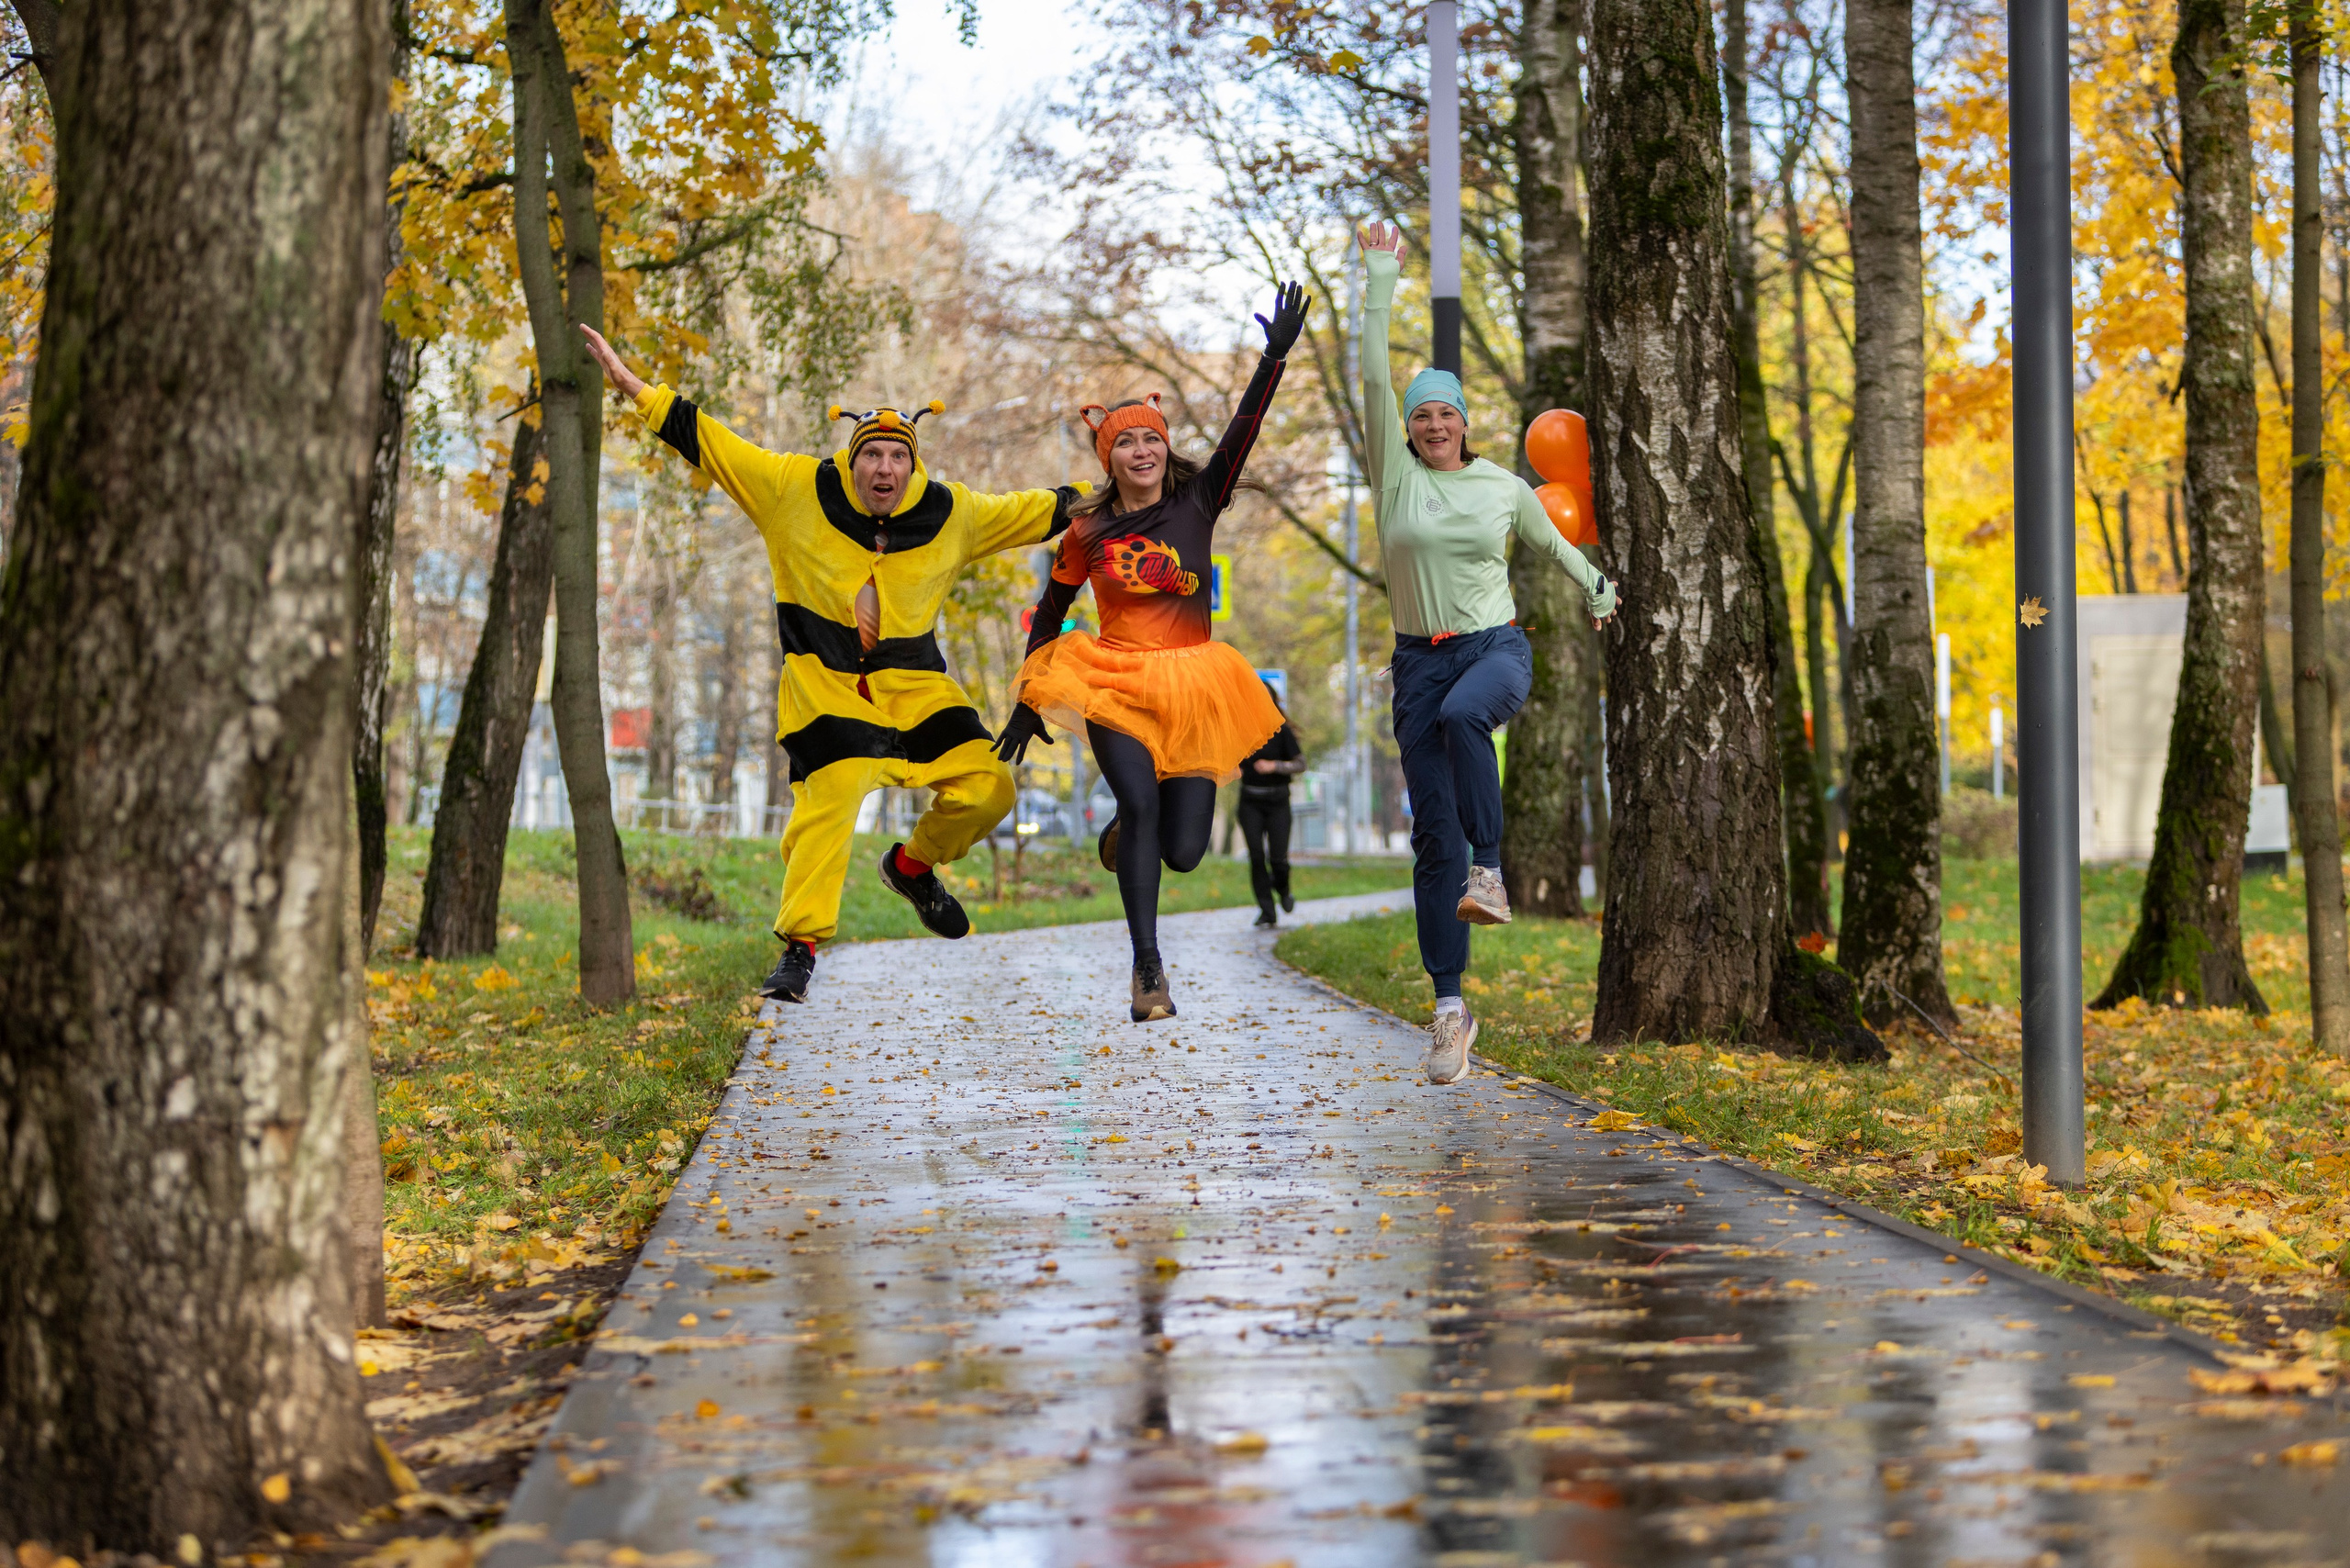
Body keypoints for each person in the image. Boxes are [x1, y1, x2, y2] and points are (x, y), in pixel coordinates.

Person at [578, 325, 1088, 1004]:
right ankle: (801, 946)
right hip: (824, 684)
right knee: (837, 786)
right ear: (852, 461)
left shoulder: (952, 513)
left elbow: (1042, 510)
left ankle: (912, 867)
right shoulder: (793, 490)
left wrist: (1127, 477)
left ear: (912, 465)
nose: (884, 469)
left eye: (895, 458)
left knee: (991, 785)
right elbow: (716, 444)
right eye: (871, 455)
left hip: (917, 686)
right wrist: (638, 391)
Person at [995, 282, 1311, 1021]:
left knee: (1187, 850)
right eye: (1125, 442)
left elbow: (1243, 433)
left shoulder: (1198, 502)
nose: (1141, 449)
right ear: (1110, 457)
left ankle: (1123, 833)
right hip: (1114, 680)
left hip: (1197, 683)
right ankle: (1147, 969)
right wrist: (1025, 697)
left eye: (1151, 438)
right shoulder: (1087, 531)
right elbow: (1051, 610)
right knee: (1140, 802)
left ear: (1165, 447)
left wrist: (1272, 359)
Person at [1355, 223, 1618, 1086]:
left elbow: (1553, 546)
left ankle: (1494, 869)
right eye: (1422, 414)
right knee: (1432, 838)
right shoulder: (1394, 475)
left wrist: (1598, 587)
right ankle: (1449, 1011)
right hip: (1416, 662)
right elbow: (1369, 373)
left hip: (1493, 649)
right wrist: (1380, 276)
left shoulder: (1501, 485)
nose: (1433, 424)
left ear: (1465, 424)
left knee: (1472, 718)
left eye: (1446, 414)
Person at [1237, 684, 1304, 928]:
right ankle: (1267, 910)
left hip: (1278, 802)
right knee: (1256, 856)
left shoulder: (1282, 730)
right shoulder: (1243, 730)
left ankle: (1283, 889)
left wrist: (1275, 766)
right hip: (1250, 801)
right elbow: (1232, 760)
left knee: (1278, 859)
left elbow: (1300, 763)